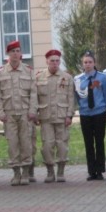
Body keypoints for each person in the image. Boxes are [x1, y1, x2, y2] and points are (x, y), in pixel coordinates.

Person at [0, 40, 38, 186]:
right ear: (8, 53)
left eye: (18, 51)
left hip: (25, 114)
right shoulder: (1, 73)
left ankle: (25, 172)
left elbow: (33, 93)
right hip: (9, 115)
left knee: (26, 143)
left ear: (21, 53)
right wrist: (1, 112)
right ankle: (16, 173)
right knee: (12, 144)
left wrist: (32, 111)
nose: (15, 54)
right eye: (13, 51)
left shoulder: (28, 71)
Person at [36, 49, 74, 183]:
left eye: (57, 61)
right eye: (52, 61)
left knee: (62, 144)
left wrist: (69, 115)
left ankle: (61, 171)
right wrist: (35, 114)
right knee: (47, 145)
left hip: (61, 116)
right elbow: (35, 98)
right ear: (47, 61)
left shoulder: (67, 77)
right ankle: (50, 171)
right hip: (45, 116)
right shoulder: (39, 77)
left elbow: (71, 98)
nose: (55, 63)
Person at [74, 51, 106, 180]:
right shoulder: (77, 79)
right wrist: (82, 107)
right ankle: (91, 171)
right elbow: (77, 96)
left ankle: (99, 170)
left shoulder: (102, 77)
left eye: (90, 62)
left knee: (99, 141)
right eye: (85, 62)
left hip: (99, 112)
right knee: (88, 143)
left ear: (94, 63)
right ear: (82, 64)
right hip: (85, 114)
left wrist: (104, 107)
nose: (88, 64)